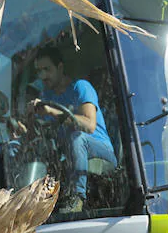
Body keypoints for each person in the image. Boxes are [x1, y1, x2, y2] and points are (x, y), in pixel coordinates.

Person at [29, 43, 116, 212]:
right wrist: (30, 117)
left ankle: (77, 198)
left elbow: (89, 126)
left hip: (100, 150)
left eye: (47, 69)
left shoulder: (80, 87)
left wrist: (53, 112)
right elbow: (38, 136)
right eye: (39, 71)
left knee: (77, 137)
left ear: (60, 67)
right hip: (68, 154)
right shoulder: (47, 96)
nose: (43, 76)